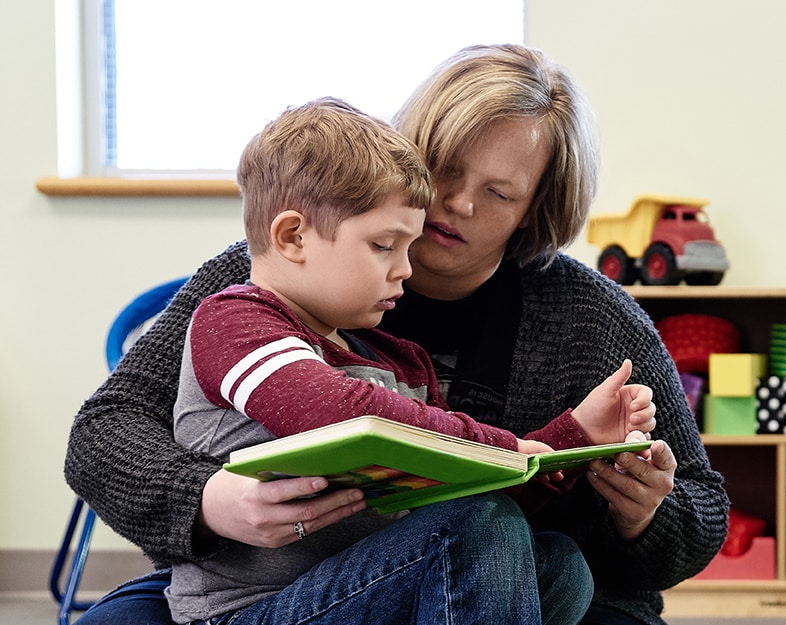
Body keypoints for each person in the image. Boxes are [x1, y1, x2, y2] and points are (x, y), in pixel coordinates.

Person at [65, 44, 729, 625]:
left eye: (498, 193)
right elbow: (103, 432)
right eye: (444, 169)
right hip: (274, 582)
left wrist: (642, 512)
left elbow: (701, 511)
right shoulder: (263, 283)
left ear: (536, 211)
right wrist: (206, 501)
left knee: (544, 557)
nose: (457, 204)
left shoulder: (595, 319)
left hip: (493, 566)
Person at [164, 96, 657, 624]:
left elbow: (476, 490)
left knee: (557, 562)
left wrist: (575, 436)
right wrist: (504, 443)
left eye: (409, 246)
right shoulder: (234, 321)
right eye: (384, 246)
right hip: (252, 611)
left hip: (374, 589)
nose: (405, 269)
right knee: (473, 523)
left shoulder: (399, 362)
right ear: (293, 236)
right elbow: (339, 410)